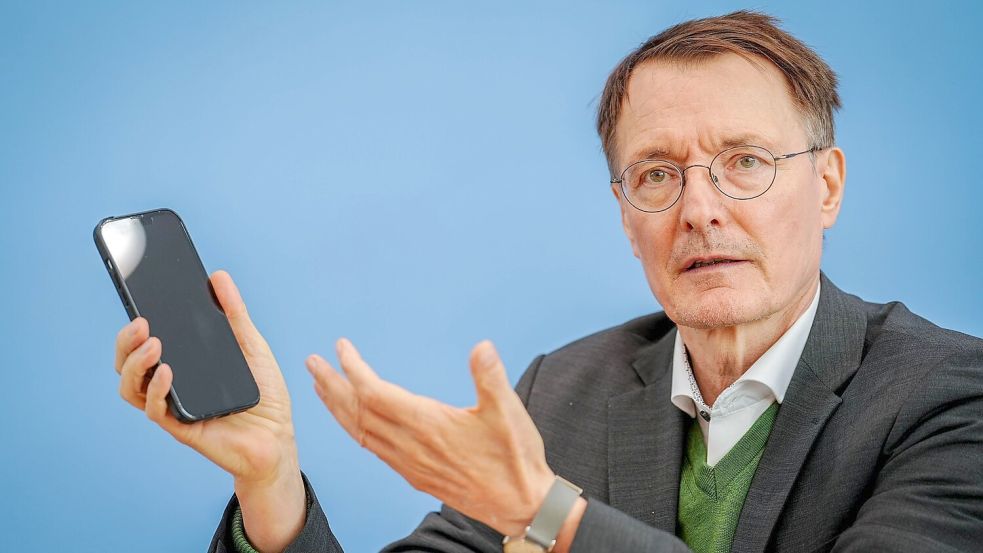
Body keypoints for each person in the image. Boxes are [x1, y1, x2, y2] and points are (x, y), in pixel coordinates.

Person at [112, 10, 983, 553]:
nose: (699, 210)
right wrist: (270, 481)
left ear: (826, 184)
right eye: (654, 175)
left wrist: (545, 513)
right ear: (622, 210)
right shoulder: (564, 388)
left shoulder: (951, 396)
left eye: (744, 162)